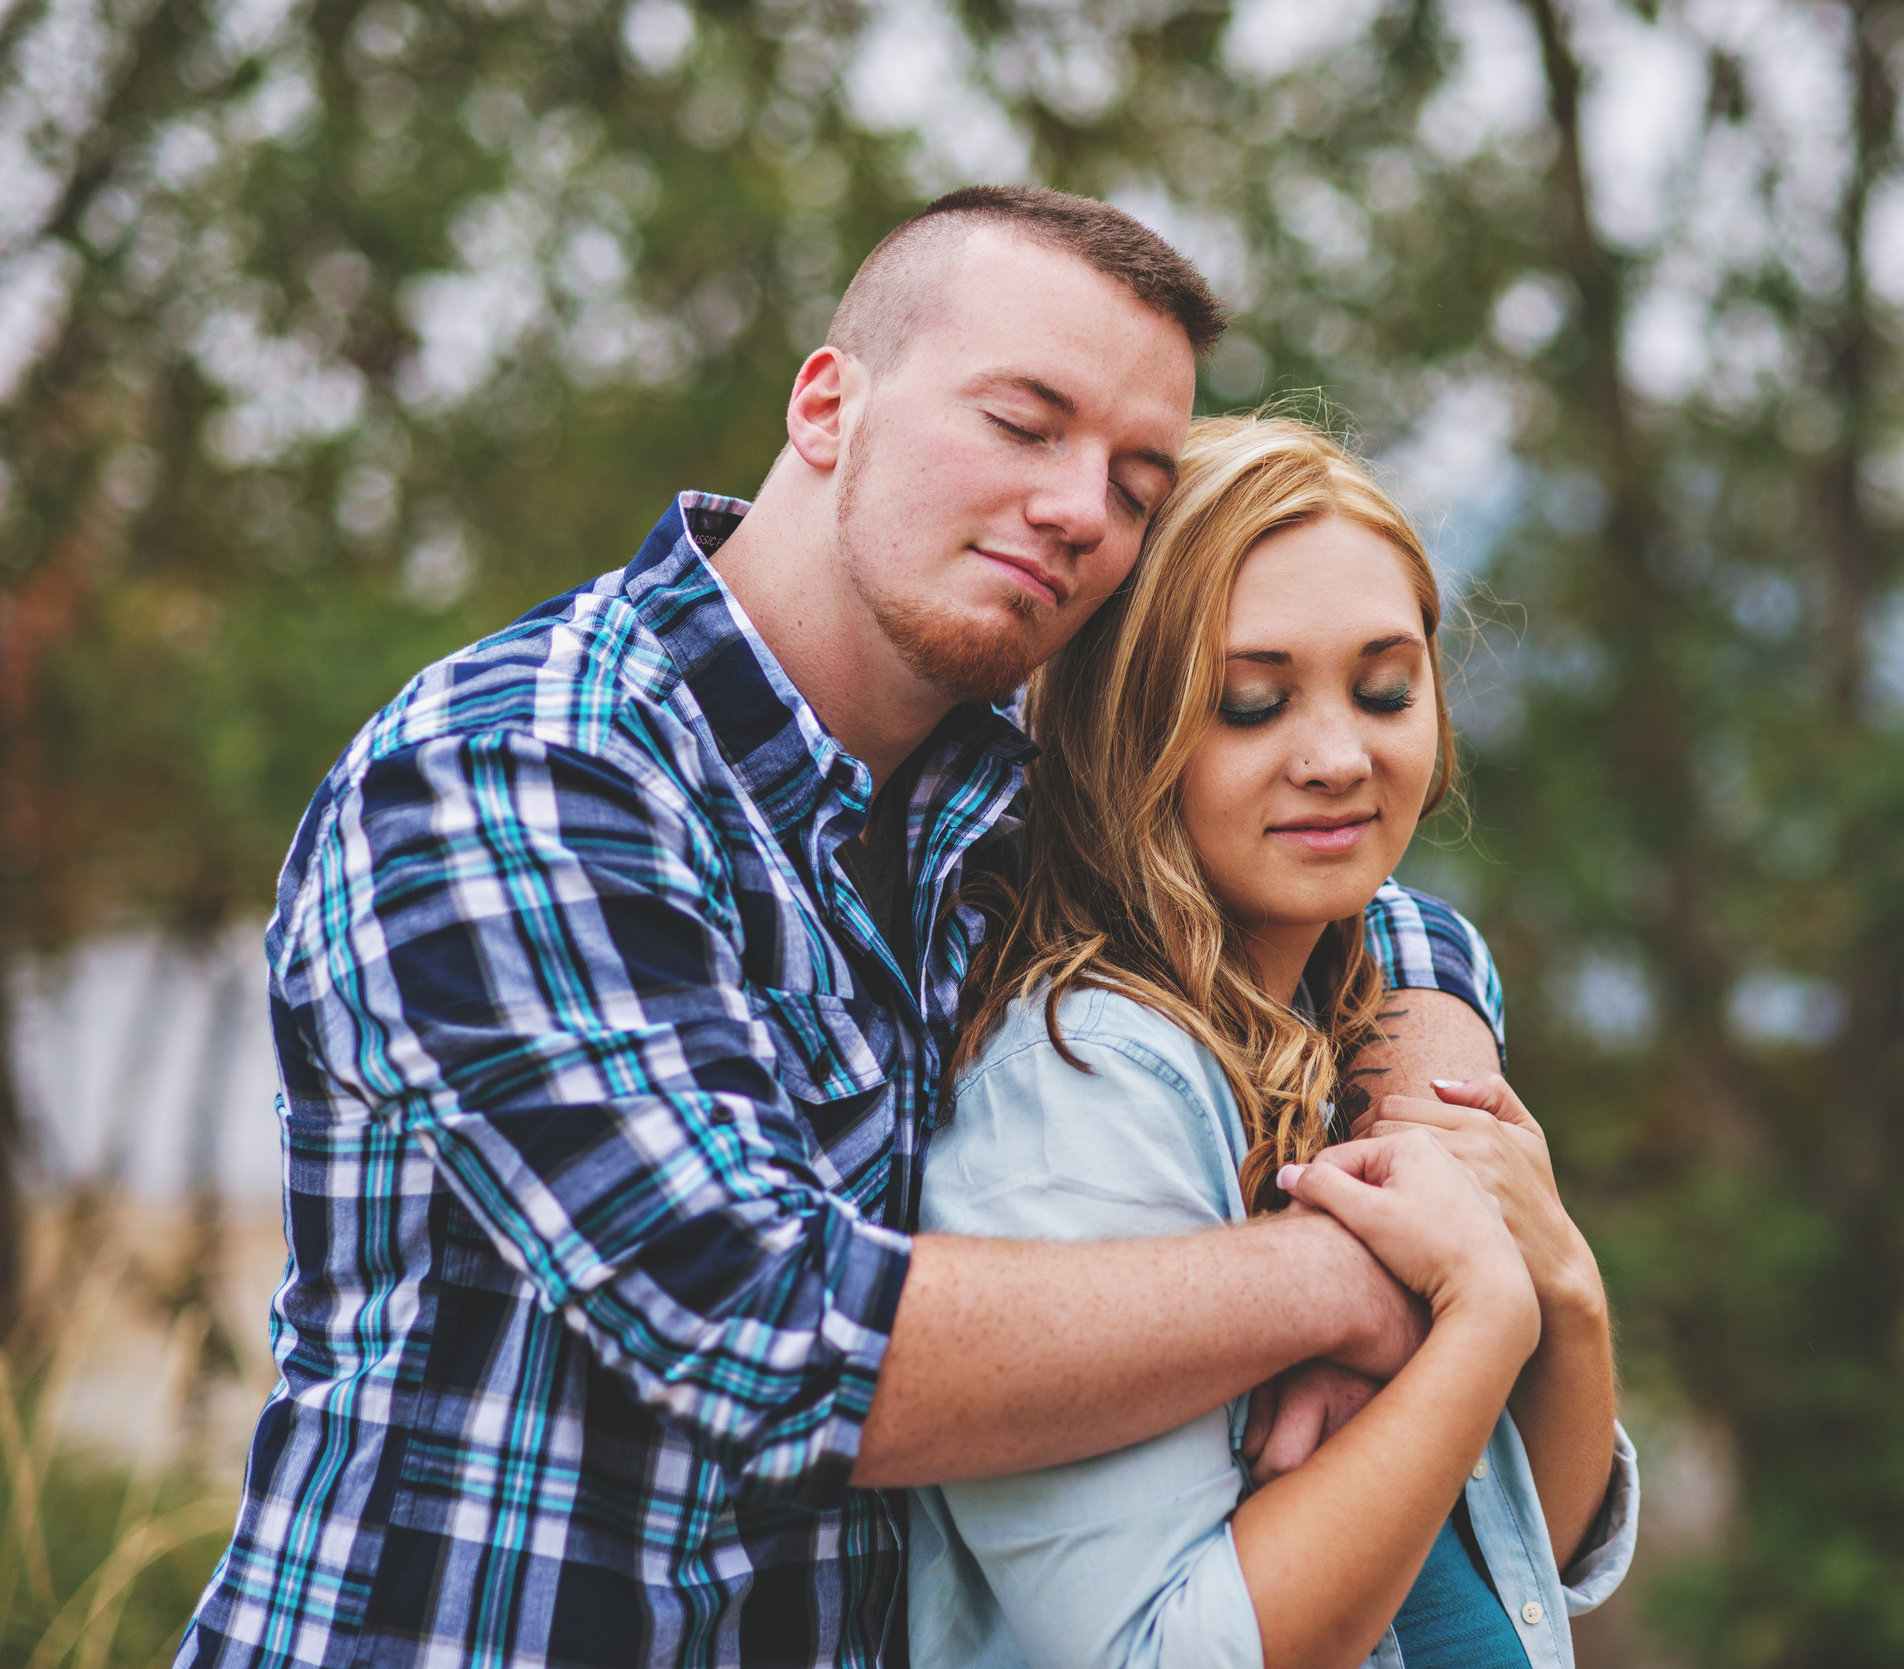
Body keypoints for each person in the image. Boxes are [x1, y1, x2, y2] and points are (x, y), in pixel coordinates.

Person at [177, 189, 1529, 1669]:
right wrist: (1369, 1275)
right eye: (1024, 423)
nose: (1084, 509)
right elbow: (763, 1332)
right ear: (829, 404)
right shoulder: (521, 767)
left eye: (1139, 482)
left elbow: (1362, 907)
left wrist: (1420, 1119)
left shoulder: (1001, 811)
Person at [909, 416, 1635, 1669]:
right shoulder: (1086, 1081)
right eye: (1250, 704)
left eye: (1385, 688)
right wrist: (1475, 1319)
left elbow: (1529, 1561)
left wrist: (1559, 1290)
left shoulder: (1354, 1025)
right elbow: (1161, 1650)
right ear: (1126, 731)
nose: (1338, 758)